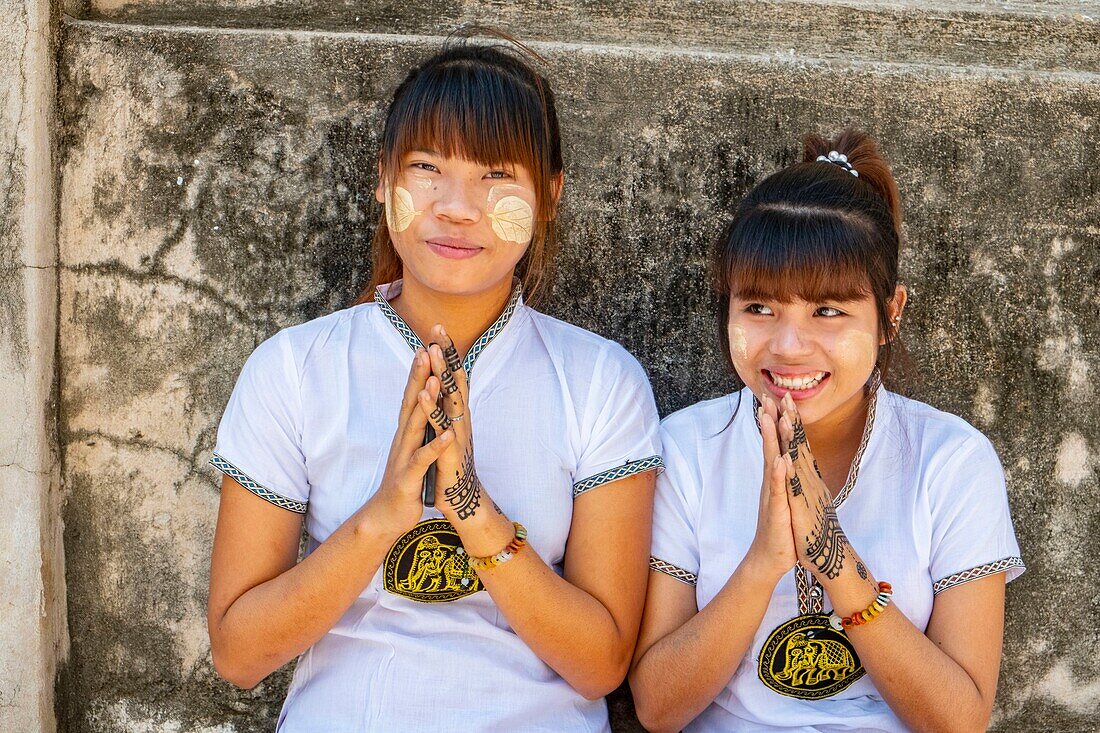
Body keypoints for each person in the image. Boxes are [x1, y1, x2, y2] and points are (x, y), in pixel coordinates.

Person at [206, 35, 661, 732]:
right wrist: (382, 516)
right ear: (384, 179)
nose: (456, 206)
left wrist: (473, 509)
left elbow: (601, 663)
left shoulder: (600, 380)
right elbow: (238, 654)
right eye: (427, 167)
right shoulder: (295, 369)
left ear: (549, 195)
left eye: (495, 174)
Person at [629, 130, 1023, 732]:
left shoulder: (951, 461)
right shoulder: (688, 449)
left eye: (829, 311)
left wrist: (835, 563)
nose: (788, 347)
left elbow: (959, 721)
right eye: (758, 308)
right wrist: (765, 561)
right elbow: (657, 708)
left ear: (890, 315)